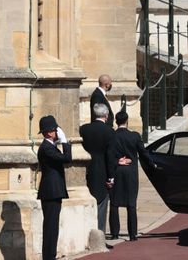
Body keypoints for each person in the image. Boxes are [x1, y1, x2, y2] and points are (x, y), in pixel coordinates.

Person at [108, 111, 157, 241]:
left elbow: (109, 155)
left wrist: (117, 161)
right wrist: (152, 164)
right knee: (131, 203)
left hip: (116, 170)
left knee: (114, 202)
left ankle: (114, 233)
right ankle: (132, 233)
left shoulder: (112, 136)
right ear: (127, 121)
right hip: (131, 172)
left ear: (116, 122)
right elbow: (143, 152)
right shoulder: (134, 136)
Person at [37, 115, 72, 260]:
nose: (58, 133)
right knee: (50, 228)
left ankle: (50, 256)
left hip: (54, 192)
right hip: (50, 192)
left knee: (53, 227)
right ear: (50, 132)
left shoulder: (51, 147)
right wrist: (64, 142)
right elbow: (67, 159)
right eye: (56, 130)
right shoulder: (46, 148)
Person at [79, 103, 115, 241]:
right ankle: (99, 238)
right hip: (102, 171)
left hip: (87, 169)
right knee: (101, 205)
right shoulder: (109, 131)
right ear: (106, 116)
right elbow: (110, 156)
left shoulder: (84, 129)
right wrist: (111, 177)